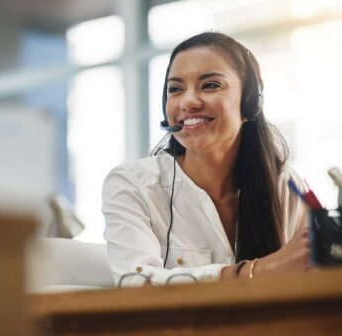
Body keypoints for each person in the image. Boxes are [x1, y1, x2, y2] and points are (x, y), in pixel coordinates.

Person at [102, 31, 310, 286]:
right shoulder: (132, 185)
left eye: (210, 85)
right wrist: (257, 271)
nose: (188, 102)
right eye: (175, 89)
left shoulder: (284, 184)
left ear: (250, 103)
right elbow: (135, 283)